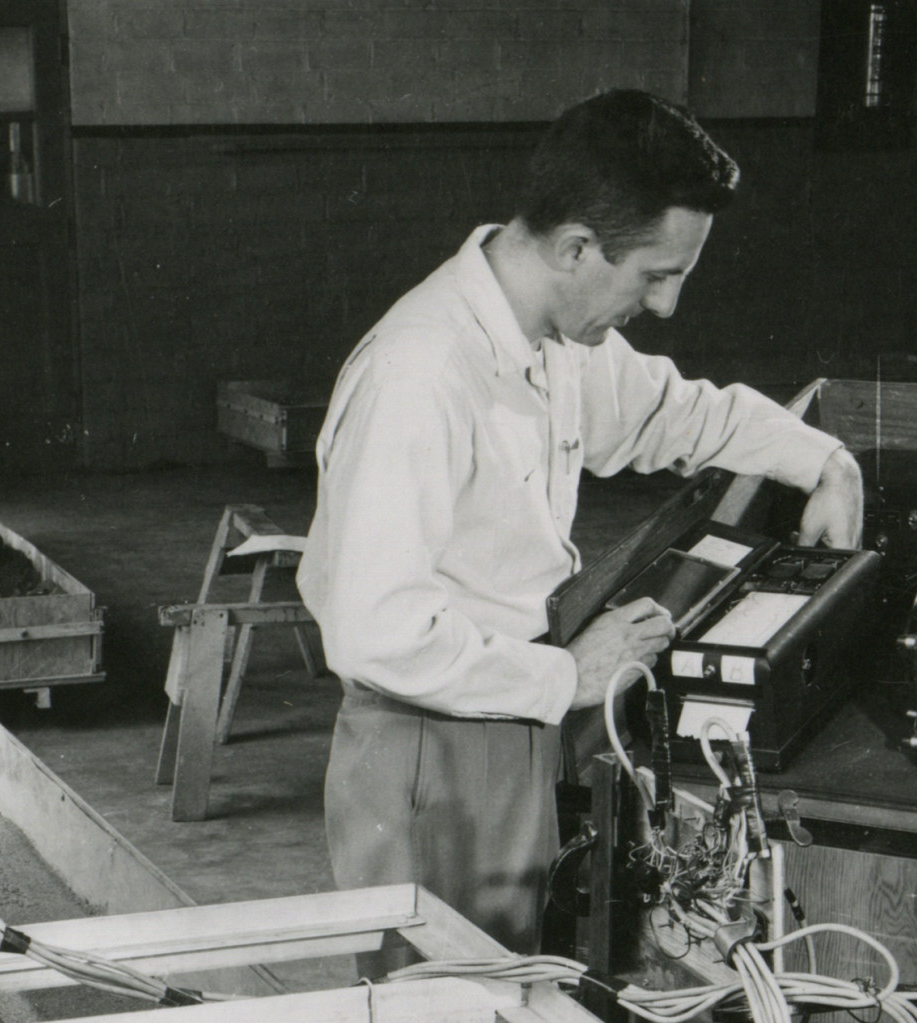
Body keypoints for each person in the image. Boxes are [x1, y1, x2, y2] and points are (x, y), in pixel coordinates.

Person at [299, 90, 863, 970]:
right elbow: (376, 631)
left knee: (510, 1008)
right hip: (430, 738)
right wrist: (571, 673)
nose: (667, 305)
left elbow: (675, 414)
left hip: (504, 706)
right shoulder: (421, 373)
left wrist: (823, 460)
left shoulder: (554, 338)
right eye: (653, 275)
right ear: (573, 248)